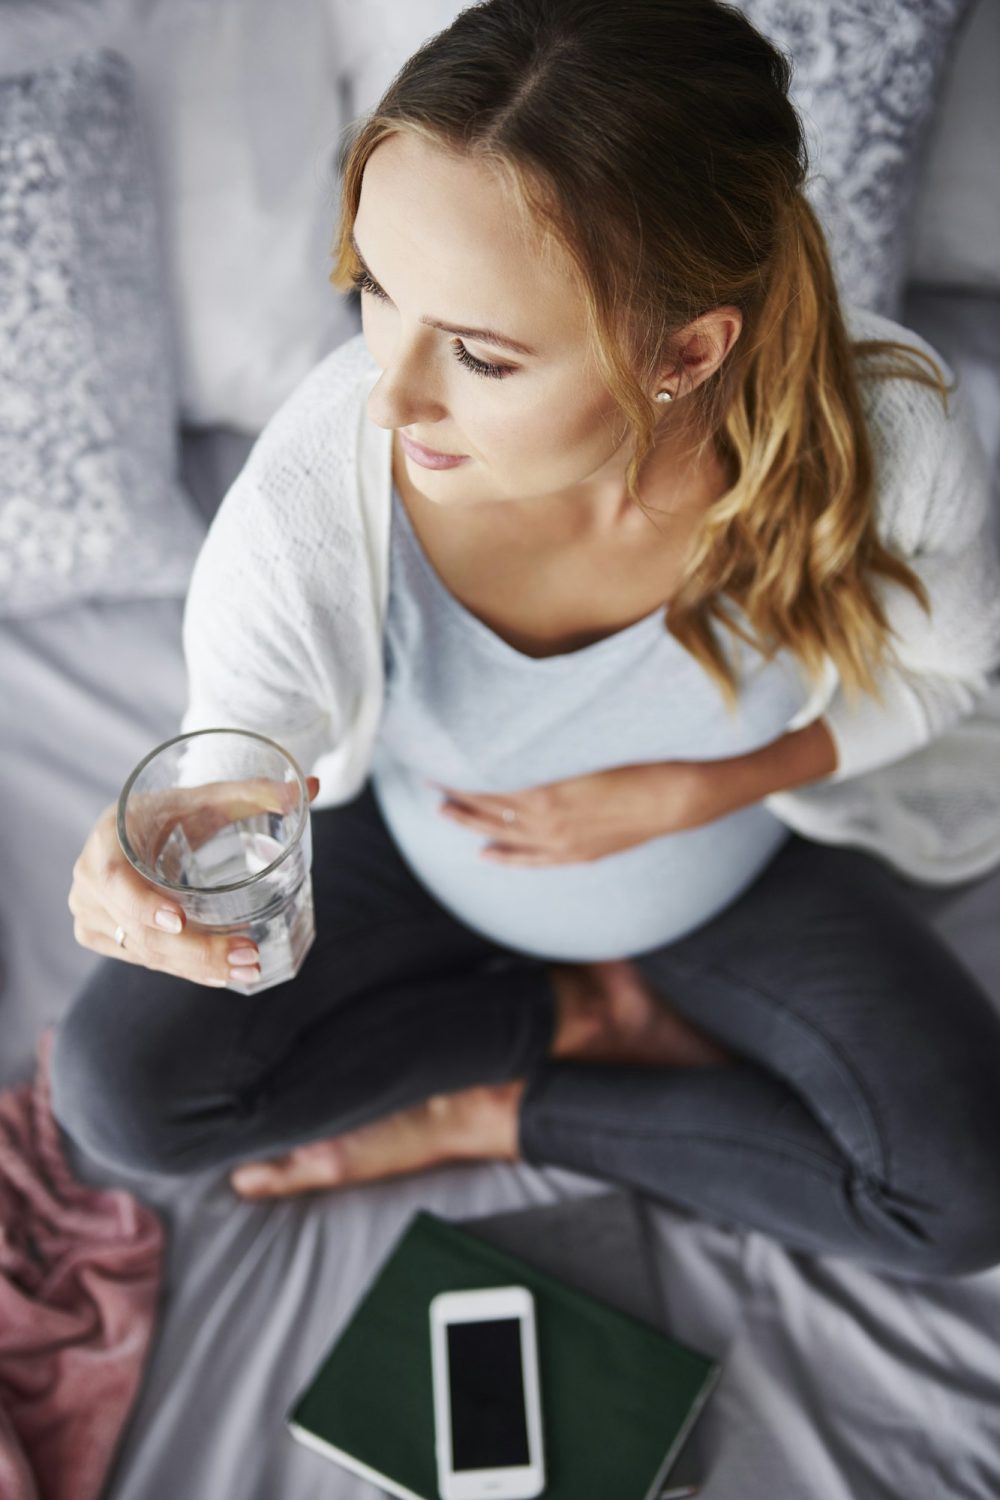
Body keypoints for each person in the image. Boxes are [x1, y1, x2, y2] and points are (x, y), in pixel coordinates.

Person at [53, 0, 1000, 1280]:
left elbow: (947, 673)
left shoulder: (887, 437)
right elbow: (242, 750)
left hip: (723, 871)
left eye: (483, 356)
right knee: (120, 1094)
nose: (389, 394)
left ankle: (496, 1110)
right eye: (375, 293)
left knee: (960, 1194)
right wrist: (141, 845)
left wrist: (703, 789)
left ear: (685, 352)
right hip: (422, 856)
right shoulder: (309, 499)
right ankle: (555, 1020)